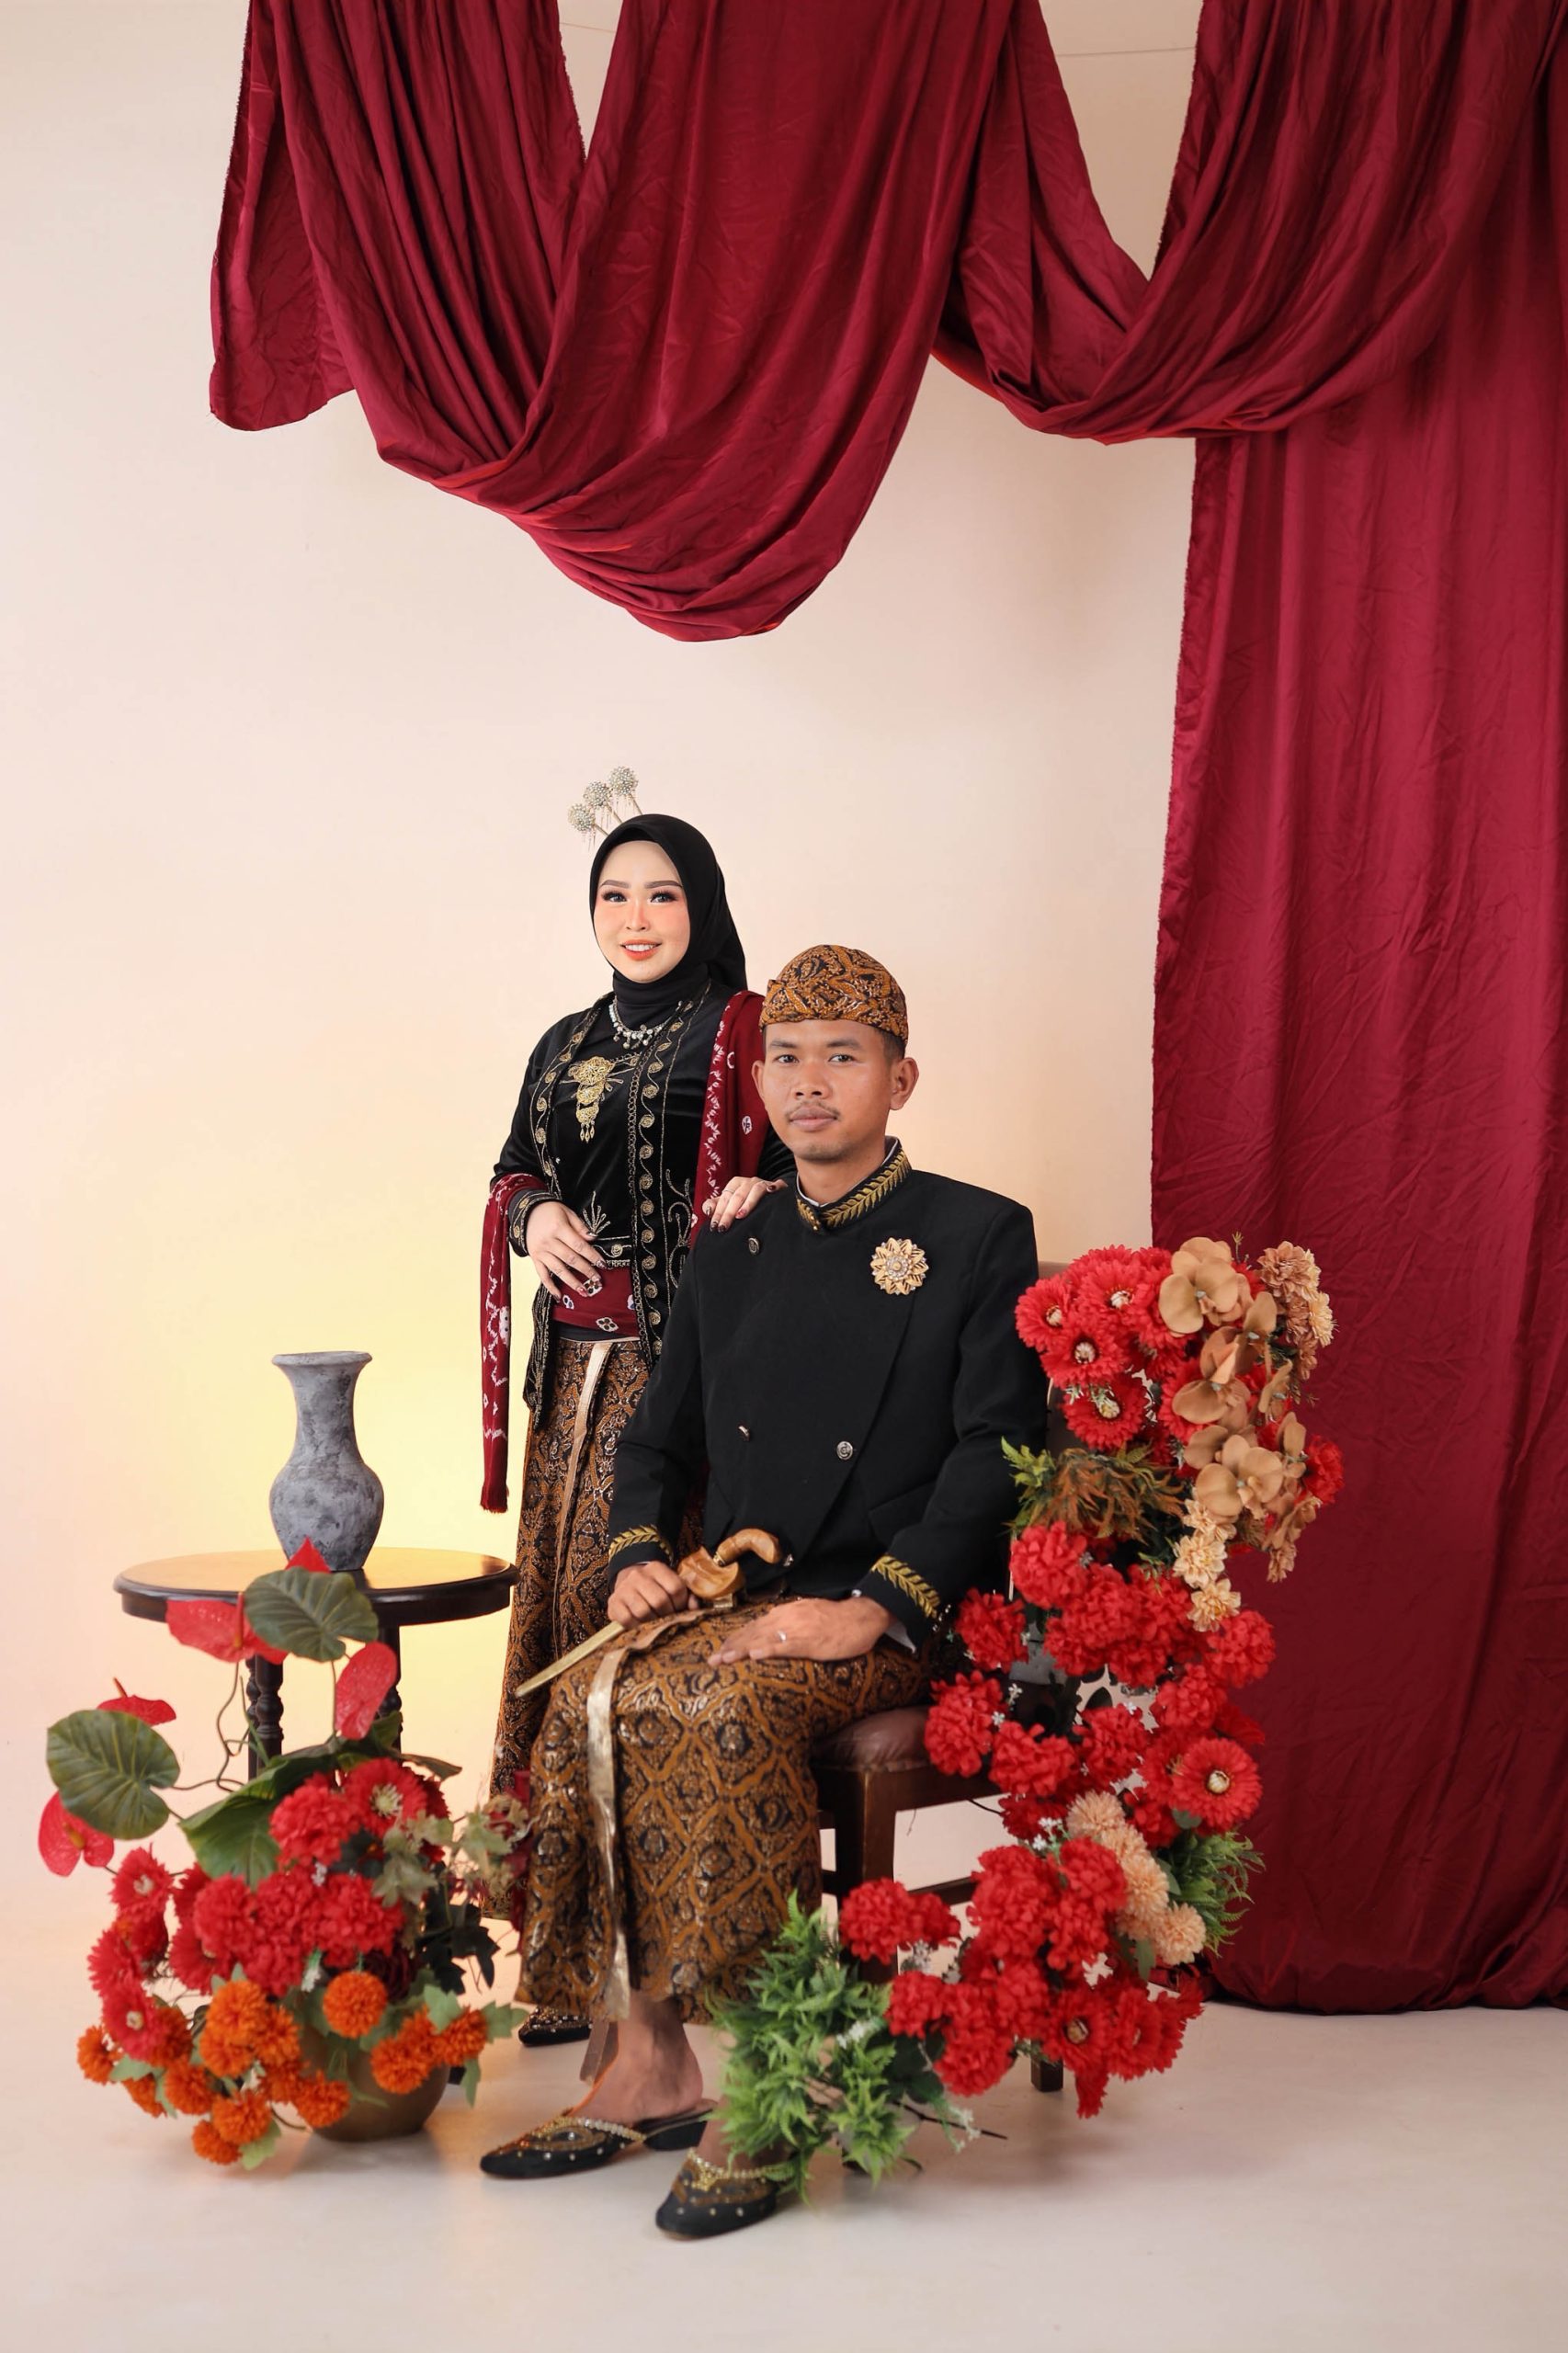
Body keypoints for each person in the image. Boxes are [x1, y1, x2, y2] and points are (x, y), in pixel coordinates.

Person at [481, 945, 1047, 2234]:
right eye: (784, 1058)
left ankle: (772, 2084)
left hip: (892, 1610)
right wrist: (635, 1554)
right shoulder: (731, 1242)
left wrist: (875, 1605)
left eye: (842, 1057)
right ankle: (649, 2062)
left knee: (716, 1709)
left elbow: (995, 1452)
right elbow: (655, 1439)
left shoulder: (975, 1233)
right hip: (741, 1592)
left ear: (901, 1079)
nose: (808, 1083)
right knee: (589, 1699)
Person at [480, 812, 790, 2038]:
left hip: (685, 1389)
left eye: (662, 894)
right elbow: (514, 1164)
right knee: (557, 1633)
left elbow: (817, 1148)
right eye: (615, 896)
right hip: (572, 1382)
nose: (637, 918)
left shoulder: (746, 1029)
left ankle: (660, 1963)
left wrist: (764, 1186)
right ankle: (563, 1956)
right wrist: (530, 1217)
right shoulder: (565, 1042)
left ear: (700, 904)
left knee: (637, 1636)